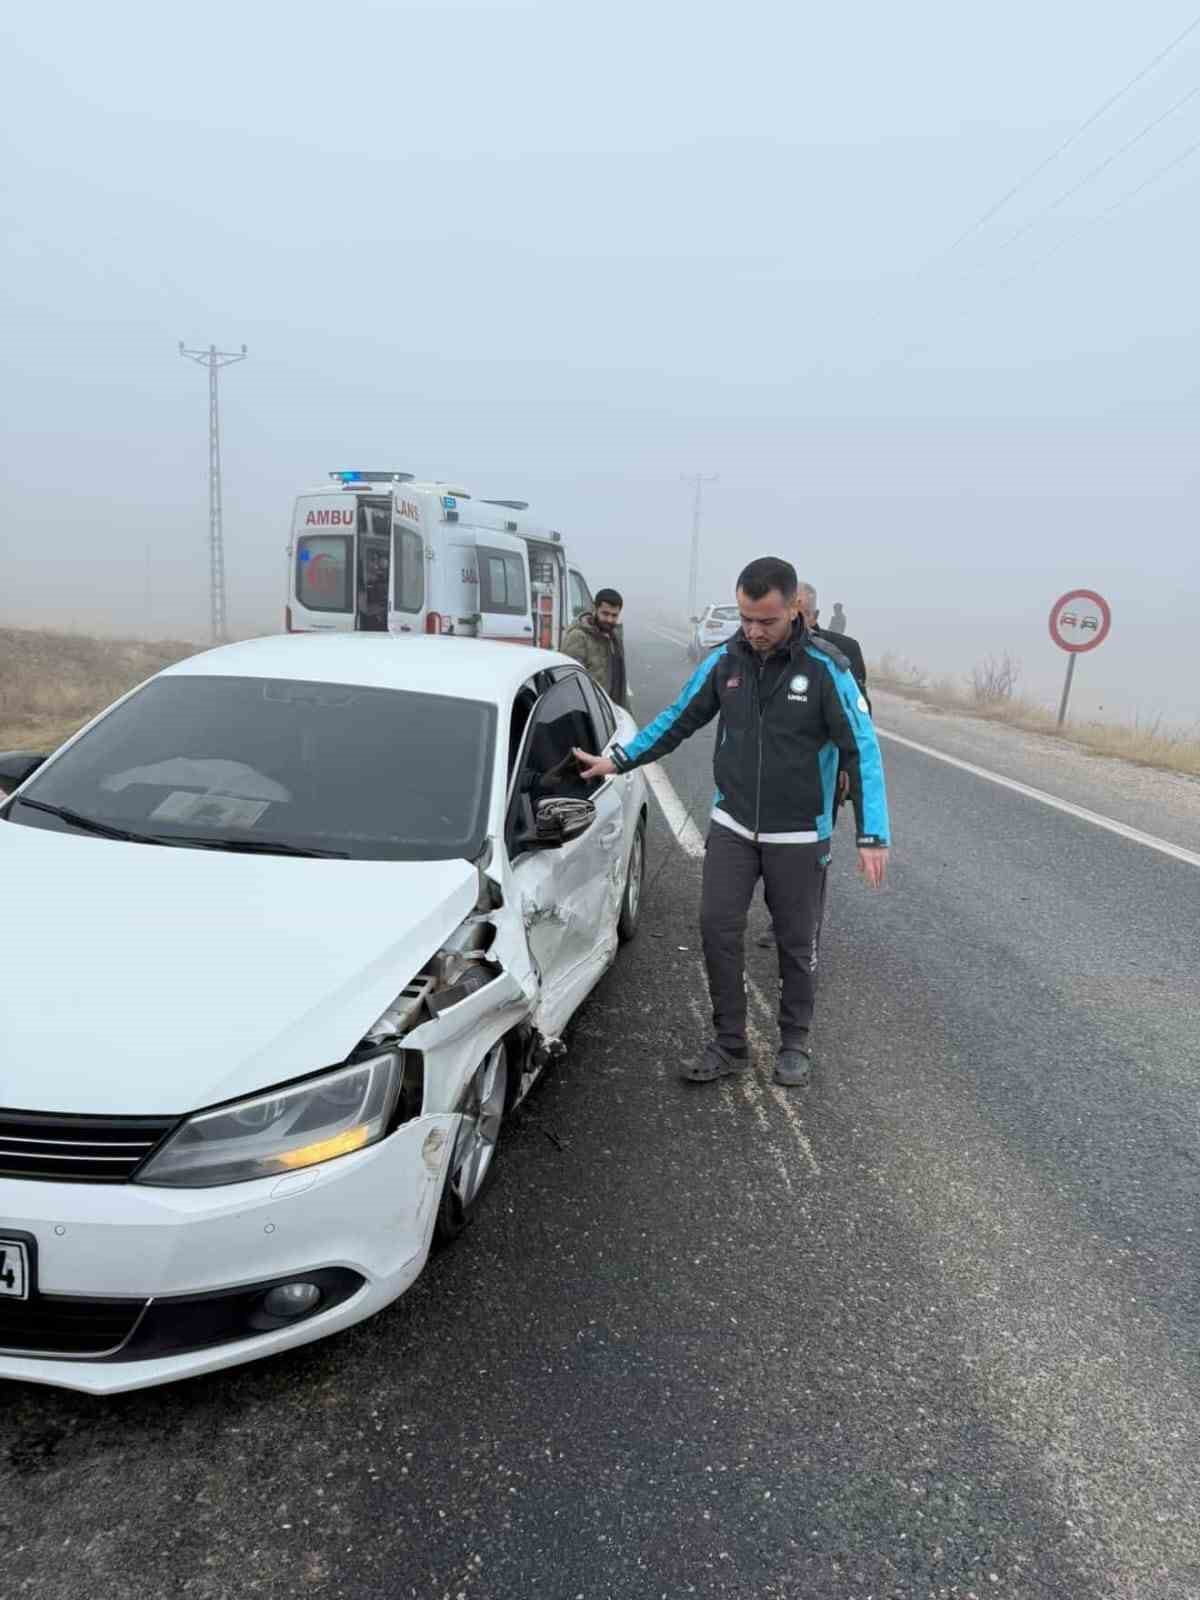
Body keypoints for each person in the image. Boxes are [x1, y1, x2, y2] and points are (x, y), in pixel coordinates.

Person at [574, 557, 889, 1089]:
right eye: (746, 618)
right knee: (717, 927)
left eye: (766, 620)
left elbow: (863, 750)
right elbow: (679, 717)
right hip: (733, 825)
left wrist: (871, 832)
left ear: (794, 609)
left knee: (795, 943)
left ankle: (794, 1042)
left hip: (799, 834)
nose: (753, 631)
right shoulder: (727, 662)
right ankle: (729, 1043)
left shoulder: (826, 668)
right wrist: (619, 759)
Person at [755, 580, 868, 949]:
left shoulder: (841, 652)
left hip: (822, 779)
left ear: (813, 614)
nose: (794, 618)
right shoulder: (769, 649)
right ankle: (779, 917)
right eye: (791, 609)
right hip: (772, 777)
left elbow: (858, 719)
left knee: (813, 859)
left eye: (802, 610)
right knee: (773, 854)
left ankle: (806, 934)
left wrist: (849, 773)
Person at [561, 588, 630, 708]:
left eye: (614, 615)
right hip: (587, 713)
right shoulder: (578, 636)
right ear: (595, 609)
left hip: (610, 712)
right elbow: (567, 683)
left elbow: (620, 684)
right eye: (605, 614)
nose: (609, 620)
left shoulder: (615, 638)